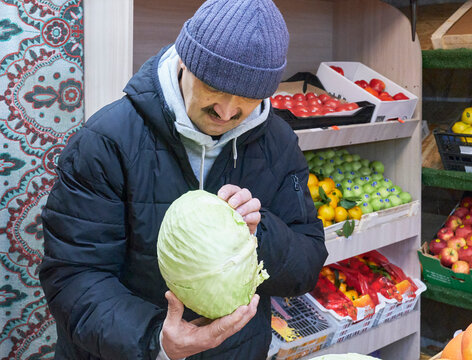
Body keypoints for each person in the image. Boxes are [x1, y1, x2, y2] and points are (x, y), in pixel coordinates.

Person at [38, 0, 328, 359]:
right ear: (185, 61)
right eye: (212, 86)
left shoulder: (278, 145)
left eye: (249, 98)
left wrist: (260, 234)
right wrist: (156, 342)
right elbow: (73, 276)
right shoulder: (108, 141)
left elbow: (308, 263)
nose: (226, 111)